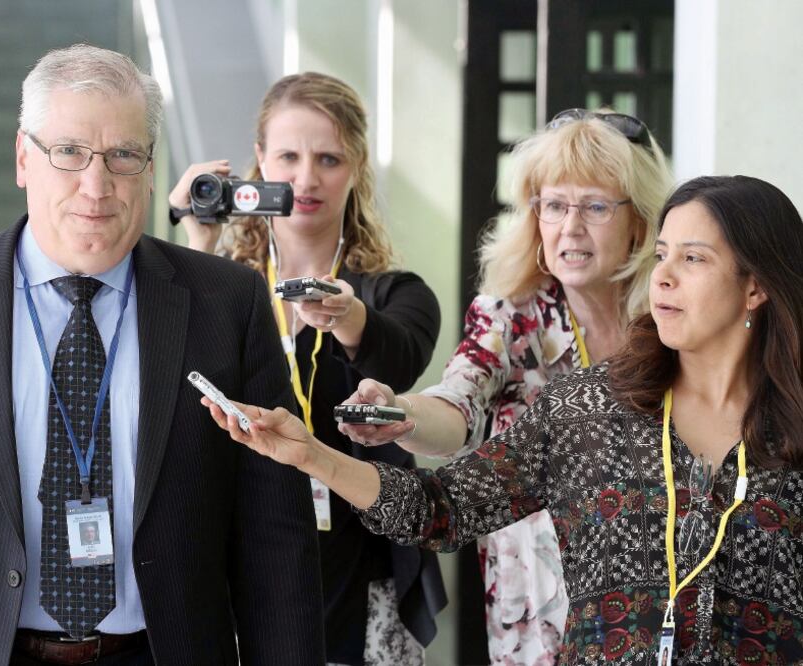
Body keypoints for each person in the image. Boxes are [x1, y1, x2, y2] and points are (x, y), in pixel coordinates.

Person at [0, 44, 323, 666]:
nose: (96, 186)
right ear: (23, 158)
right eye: (69, 152)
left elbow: (276, 542)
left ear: (151, 167)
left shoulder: (226, 302)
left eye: (122, 156)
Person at [204, 174, 803, 664]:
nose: (665, 275)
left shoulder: (794, 431)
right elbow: (439, 509)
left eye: (694, 259)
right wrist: (310, 453)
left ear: (756, 286)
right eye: (664, 254)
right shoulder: (588, 408)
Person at [337, 108, 671, 663]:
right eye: (555, 205)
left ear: (638, 219)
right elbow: (457, 400)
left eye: (595, 206)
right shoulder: (511, 317)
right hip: (543, 606)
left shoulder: (667, 319)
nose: (571, 227)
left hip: (658, 590)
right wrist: (402, 412)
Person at [169, 72, 446, 665]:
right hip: (238, 570)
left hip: (359, 574)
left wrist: (347, 315)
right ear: (259, 162)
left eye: (329, 158)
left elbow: (401, 355)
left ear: (357, 168)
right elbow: (171, 372)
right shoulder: (226, 287)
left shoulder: (395, 291)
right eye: (289, 156)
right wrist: (200, 243)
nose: (306, 178)